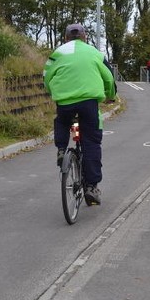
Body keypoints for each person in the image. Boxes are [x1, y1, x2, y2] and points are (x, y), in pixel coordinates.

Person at [44, 23, 117, 206]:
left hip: (65, 101)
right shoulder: (95, 53)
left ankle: (61, 150)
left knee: (62, 121)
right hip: (88, 102)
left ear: (66, 37)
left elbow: (46, 76)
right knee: (91, 142)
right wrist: (111, 96)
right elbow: (109, 77)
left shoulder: (57, 53)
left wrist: (52, 91)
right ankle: (91, 187)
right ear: (85, 36)